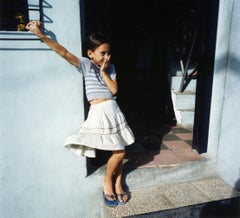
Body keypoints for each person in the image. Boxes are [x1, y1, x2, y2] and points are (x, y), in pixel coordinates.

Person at [25, 21, 135, 207]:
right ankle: (108, 180)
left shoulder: (111, 68)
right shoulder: (85, 65)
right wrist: (41, 35)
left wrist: (105, 72)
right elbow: (64, 52)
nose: (106, 56)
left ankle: (117, 181)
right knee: (119, 151)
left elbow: (114, 90)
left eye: (109, 53)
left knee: (120, 148)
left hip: (113, 110)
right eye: (102, 53)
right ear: (90, 53)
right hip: (99, 112)